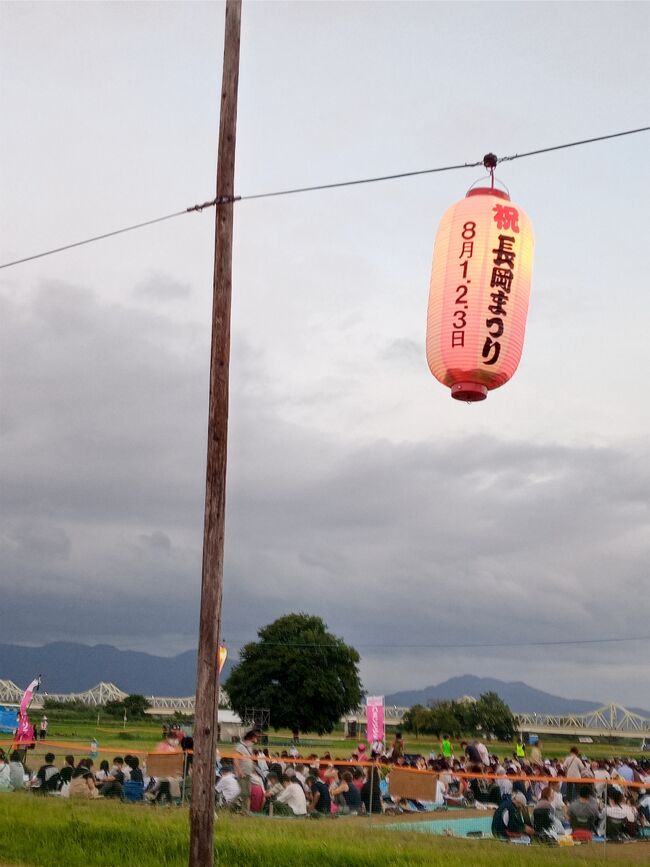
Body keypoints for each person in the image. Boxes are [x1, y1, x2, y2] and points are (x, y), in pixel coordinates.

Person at [234, 729, 259, 814]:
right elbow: (236, 760)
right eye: (255, 738)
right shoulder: (240, 746)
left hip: (248, 774)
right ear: (251, 738)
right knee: (244, 793)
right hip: (242, 774)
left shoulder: (249, 747)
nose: (256, 740)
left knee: (248, 793)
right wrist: (240, 771)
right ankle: (239, 809)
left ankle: (246, 811)